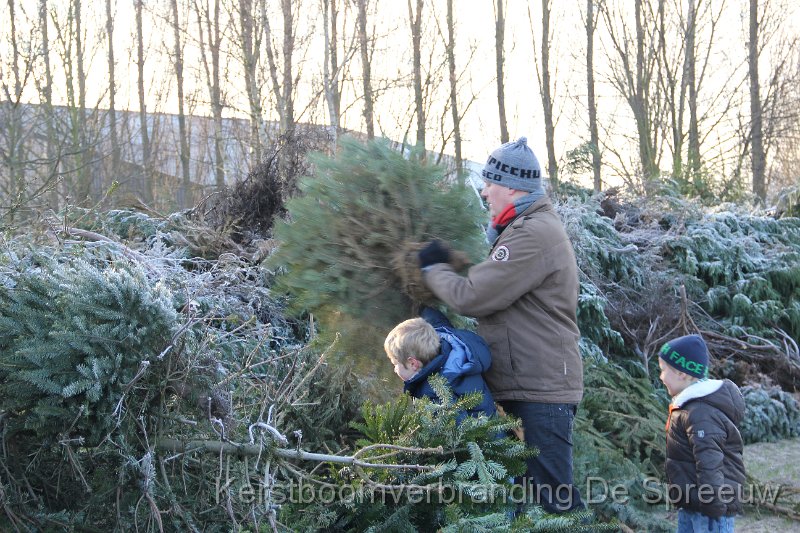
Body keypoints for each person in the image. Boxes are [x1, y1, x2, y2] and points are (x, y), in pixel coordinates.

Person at [417, 137, 585, 513]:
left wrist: (432, 270)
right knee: (532, 506)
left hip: (540, 391)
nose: (485, 191)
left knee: (555, 507)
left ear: (512, 187)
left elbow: (474, 296)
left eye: (490, 182)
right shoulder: (523, 230)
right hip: (529, 385)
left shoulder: (531, 234)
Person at [658, 334, 745, 533]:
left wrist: (713, 507)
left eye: (664, 371)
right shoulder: (689, 407)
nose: (661, 377)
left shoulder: (700, 413)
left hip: (708, 509)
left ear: (682, 373)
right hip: (693, 504)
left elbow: (710, 463)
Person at [383, 306, 496, 420]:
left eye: (395, 364)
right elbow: (436, 320)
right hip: (493, 421)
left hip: (485, 434)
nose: (394, 369)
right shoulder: (447, 344)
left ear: (413, 363)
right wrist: (423, 303)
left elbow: (455, 432)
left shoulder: (435, 393)